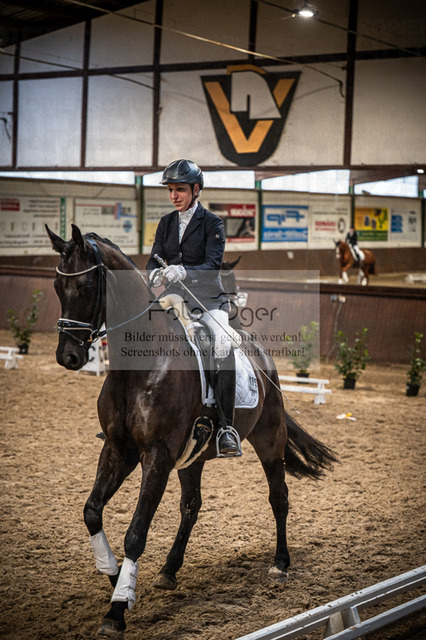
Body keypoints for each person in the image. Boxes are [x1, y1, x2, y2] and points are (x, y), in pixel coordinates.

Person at [146, 159, 242, 457]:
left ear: (196, 189)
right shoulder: (166, 223)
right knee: (142, 335)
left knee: (222, 344)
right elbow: (152, 259)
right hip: (174, 299)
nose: (174, 195)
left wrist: (184, 272)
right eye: (170, 190)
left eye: (180, 190)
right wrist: (154, 274)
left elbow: (213, 266)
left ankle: (226, 427)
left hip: (208, 300)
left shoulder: (212, 223)